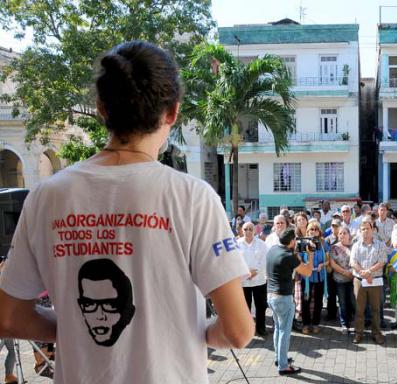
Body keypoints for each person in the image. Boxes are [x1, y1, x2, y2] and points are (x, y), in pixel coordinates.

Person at [0, 41, 254, 383]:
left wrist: (73, 328)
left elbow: (9, 317)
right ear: (173, 112)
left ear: (102, 108)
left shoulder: (47, 195)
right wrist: (203, 333)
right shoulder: (192, 197)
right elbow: (238, 331)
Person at [267, 228, 313, 375]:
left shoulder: (274, 249)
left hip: (271, 295)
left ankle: (279, 358)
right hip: (283, 298)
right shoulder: (289, 256)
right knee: (284, 332)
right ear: (292, 241)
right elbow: (307, 272)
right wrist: (310, 255)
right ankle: (283, 366)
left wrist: (296, 253)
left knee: (278, 329)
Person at [350, 221, 388, 345]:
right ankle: (358, 333)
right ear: (360, 231)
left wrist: (369, 272)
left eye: (367, 228)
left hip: (375, 281)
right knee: (359, 309)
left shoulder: (380, 245)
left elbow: (382, 261)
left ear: (372, 230)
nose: (365, 231)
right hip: (360, 280)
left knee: (376, 309)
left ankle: (376, 333)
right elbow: (353, 262)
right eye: (362, 229)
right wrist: (364, 273)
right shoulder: (356, 245)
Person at [238, 222, 270, 337]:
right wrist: (247, 273)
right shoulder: (237, 244)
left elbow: (265, 260)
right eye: (246, 229)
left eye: (251, 229)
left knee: (260, 306)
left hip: (259, 280)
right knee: (245, 307)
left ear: (254, 231)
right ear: (242, 230)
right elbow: (236, 262)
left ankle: (261, 328)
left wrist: (254, 272)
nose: (248, 231)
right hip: (243, 281)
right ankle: (246, 330)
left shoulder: (261, 244)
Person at [329, 227, 356, 334]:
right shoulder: (334, 247)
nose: (342, 235)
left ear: (349, 234)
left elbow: (357, 261)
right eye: (340, 233)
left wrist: (352, 272)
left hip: (353, 278)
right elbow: (332, 264)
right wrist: (345, 272)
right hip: (340, 280)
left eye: (344, 233)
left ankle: (354, 322)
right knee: (342, 303)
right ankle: (344, 324)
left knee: (353, 302)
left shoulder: (354, 246)